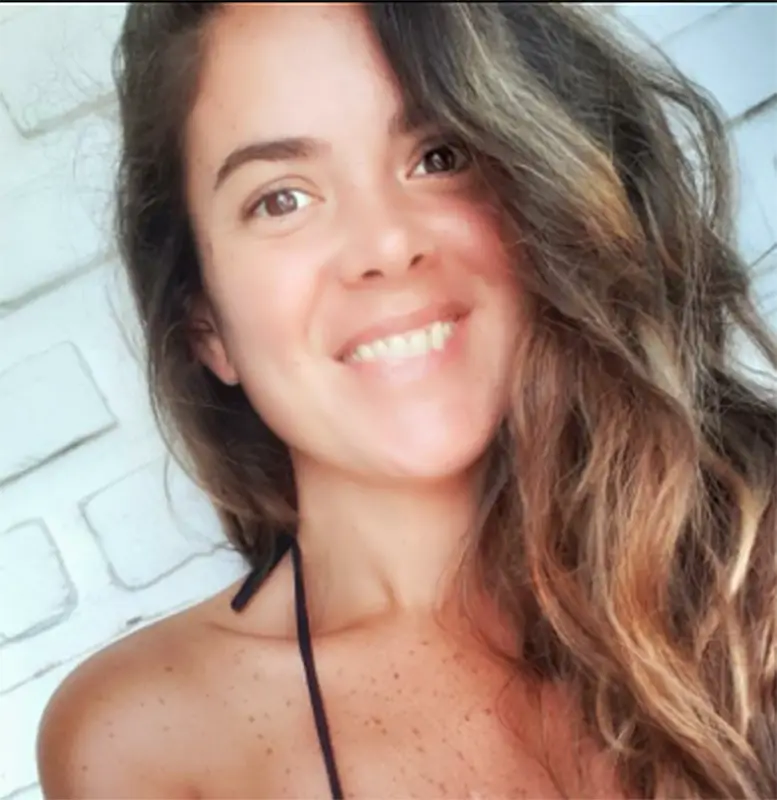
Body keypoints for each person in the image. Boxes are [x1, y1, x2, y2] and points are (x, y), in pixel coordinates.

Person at [36, 3, 776, 798]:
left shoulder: (751, 568)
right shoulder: (145, 738)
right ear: (205, 323)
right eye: (281, 199)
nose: (386, 246)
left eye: (437, 156)